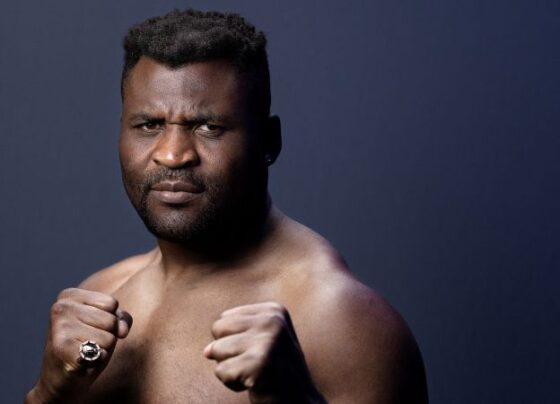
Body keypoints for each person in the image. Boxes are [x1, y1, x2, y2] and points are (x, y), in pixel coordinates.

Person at [25, 9, 428, 403]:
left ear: (268, 142)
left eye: (209, 127)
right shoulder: (101, 294)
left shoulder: (340, 321)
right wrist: (50, 394)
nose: (172, 154)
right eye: (149, 125)